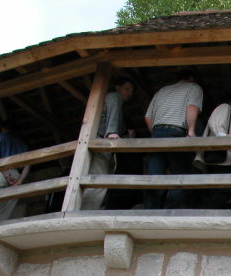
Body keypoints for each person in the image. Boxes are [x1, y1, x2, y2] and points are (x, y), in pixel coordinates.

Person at [143, 69, 203, 209]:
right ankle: (170, 211)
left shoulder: (161, 91)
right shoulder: (194, 87)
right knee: (180, 176)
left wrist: (156, 133)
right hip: (176, 133)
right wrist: (191, 131)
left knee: (154, 178)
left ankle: (150, 212)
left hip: (156, 134)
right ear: (191, 78)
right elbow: (192, 107)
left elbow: (147, 117)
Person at [81, 77, 134, 211]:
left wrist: (126, 136)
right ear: (117, 87)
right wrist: (112, 132)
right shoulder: (114, 96)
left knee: (100, 181)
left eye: (131, 91)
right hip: (102, 144)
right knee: (97, 181)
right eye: (127, 89)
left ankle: (91, 209)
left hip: (104, 147)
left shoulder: (117, 103)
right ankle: (86, 212)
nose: (129, 93)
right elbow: (112, 121)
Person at [193, 99, 231, 207]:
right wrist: (223, 135)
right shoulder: (225, 107)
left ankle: (208, 212)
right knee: (222, 191)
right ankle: (207, 213)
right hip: (221, 157)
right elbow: (215, 122)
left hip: (222, 158)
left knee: (217, 190)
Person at [0, 120, 30, 224]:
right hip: (16, 174)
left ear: (2, 128)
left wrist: (6, 175)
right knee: (8, 206)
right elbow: (28, 164)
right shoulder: (21, 143)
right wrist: (20, 180)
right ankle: (0, 227)